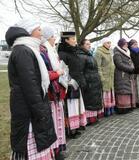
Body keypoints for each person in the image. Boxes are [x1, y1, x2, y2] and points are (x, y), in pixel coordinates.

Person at [6, 19, 56, 159]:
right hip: (27, 108)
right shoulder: (23, 51)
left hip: (31, 106)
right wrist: (40, 111)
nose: (41, 33)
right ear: (30, 31)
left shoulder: (28, 49)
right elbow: (30, 85)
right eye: (39, 29)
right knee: (30, 143)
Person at [41, 26, 67, 159]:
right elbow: (44, 73)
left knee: (58, 121)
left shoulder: (51, 50)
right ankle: (54, 150)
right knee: (53, 123)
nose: (54, 39)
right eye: (52, 36)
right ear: (47, 38)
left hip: (57, 90)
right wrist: (58, 73)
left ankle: (59, 148)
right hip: (51, 92)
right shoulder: (43, 51)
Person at [58, 31, 87, 138]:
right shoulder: (62, 53)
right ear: (66, 40)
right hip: (69, 85)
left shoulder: (74, 52)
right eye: (73, 39)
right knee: (70, 108)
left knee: (77, 106)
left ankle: (76, 127)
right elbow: (62, 70)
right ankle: (70, 130)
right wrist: (70, 82)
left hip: (77, 83)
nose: (75, 41)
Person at [78, 39, 103, 124]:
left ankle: (94, 118)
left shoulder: (89, 55)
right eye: (87, 44)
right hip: (88, 82)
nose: (89, 45)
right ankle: (89, 119)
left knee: (94, 100)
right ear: (82, 45)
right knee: (89, 101)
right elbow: (80, 71)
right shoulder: (81, 56)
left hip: (94, 81)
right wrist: (84, 83)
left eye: (90, 44)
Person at [113, 38, 136, 114]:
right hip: (121, 74)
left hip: (127, 74)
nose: (127, 44)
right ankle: (122, 108)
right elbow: (119, 64)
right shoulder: (117, 53)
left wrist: (132, 67)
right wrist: (130, 69)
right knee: (122, 91)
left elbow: (130, 62)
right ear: (121, 44)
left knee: (127, 91)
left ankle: (128, 106)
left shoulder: (127, 52)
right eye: (125, 43)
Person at [95, 38, 116, 117]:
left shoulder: (109, 52)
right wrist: (101, 77)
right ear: (103, 43)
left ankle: (111, 107)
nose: (109, 44)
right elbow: (98, 66)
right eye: (107, 43)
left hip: (110, 76)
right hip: (104, 75)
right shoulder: (99, 52)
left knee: (110, 92)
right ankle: (106, 110)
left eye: (110, 43)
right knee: (105, 93)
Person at [129, 39, 139, 107]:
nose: (136, 45)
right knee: (135, 88)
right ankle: (136, 102)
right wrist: (137, 69)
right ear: (131, 45)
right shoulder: (130, 52)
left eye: (136, 44)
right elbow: (132, 63)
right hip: (134, 73)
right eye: (134, 44)